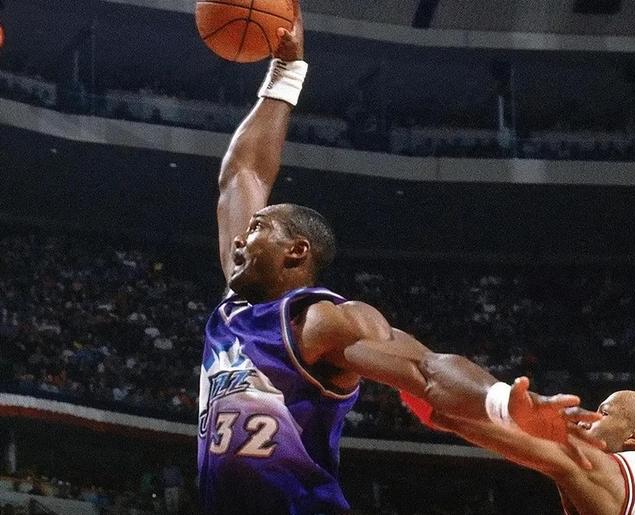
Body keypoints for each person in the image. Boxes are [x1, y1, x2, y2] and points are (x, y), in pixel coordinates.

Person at [196, 2, 600, 513]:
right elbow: (243, 174)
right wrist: (287, 71)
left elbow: (425, 370)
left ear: (296, 251)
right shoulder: (233, 308)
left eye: (256, 230)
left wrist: (501, 402)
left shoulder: (321, 322)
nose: (238, 240)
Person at [431, 378, 635, 515]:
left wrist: (436, 404)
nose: (584, 421)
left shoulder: (634, 470)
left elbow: (528, 441)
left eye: (604, 413)